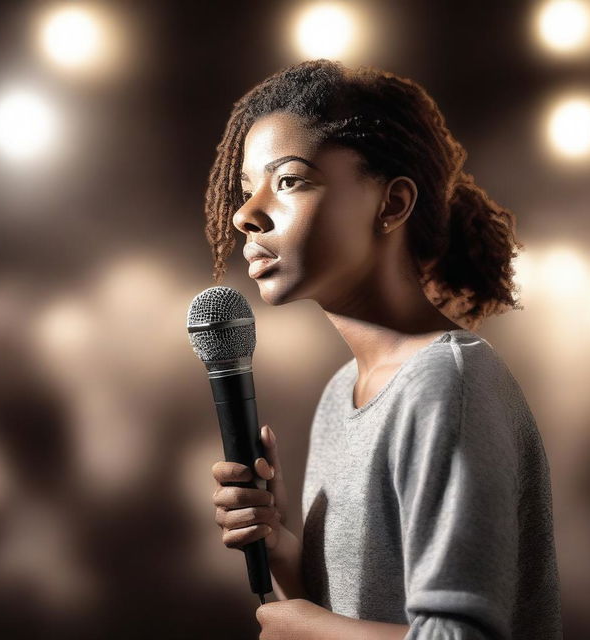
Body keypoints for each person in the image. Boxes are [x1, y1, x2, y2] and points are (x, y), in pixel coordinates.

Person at [209, 59, 562, 639]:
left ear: (392, 205)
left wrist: (312, 630)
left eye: (290, 180)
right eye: (247, 190)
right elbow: (356, 613)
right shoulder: (337, 396)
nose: (246, 215)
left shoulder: (446, 382)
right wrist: (278, 549)